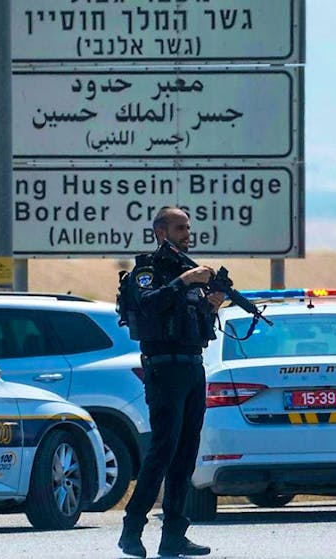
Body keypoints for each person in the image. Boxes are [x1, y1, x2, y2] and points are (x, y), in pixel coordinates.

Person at [118, 207, 224, 558]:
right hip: (164, 369)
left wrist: (212, 305)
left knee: (186, 453)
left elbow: (197, 327)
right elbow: (149, 305)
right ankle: (132, 530)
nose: (186, 233)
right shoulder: (147, 272)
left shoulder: (185, 272)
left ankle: (174, 535)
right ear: (161, 232)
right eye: (180, 228)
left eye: (188, 228)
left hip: (193, 367)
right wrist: (185, 281)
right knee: (163, 450)